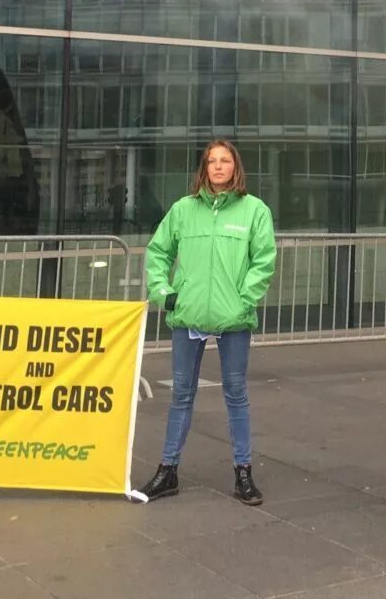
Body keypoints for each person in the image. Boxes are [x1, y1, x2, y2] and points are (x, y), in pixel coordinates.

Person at [141, 139, 276, 505]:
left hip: (234, 320)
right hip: (189, 315)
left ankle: (243, 472)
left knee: (236, 396)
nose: (219, 167)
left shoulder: (254, 211)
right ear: (204, 169)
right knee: (181, 395)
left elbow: (263, 261)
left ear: (236, 167)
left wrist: (242, 300)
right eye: (212, 161)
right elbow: (158, 251)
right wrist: (164, 293)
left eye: (225, 160)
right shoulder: (183, 210)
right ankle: (168, 471)